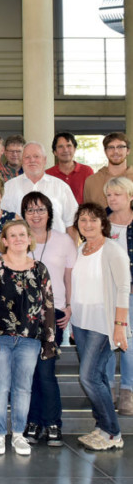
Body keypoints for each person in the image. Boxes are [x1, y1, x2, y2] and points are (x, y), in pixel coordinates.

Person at [0, 220, 57, 457]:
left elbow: (48, 305)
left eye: (22, 234)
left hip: (30, 339)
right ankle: (0, 434)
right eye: (12, 235)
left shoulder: (40, 268)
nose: (18, 239)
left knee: (23, 389)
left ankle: (19, 435)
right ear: (4, 241)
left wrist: (49, 340)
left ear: (29, 238)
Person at [71, 203, 130, 451]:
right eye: (83, 220)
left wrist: (119, 326)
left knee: (88, 376)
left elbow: (123, 289)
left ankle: (113, 432)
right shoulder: (80, 249)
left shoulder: (113, 250)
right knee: (97, 377)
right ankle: (102, 427)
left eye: (93, 220)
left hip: (102, 324)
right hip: (81, 323)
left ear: (102, 223)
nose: (88, 224)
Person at [21, 192, 75, 446]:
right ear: (23, 215)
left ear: (49, 213)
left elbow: (69, 278)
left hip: (55, 315)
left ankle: (52, 423)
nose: (36, 214)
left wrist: (70, 306)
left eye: (41, 209)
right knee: (30, 372)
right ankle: (33, 422)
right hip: (24, 317)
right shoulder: (19, 240)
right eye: (30, 210)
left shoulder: (64, 241)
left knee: (45, 372)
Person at [2, 142, 78, 235]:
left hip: (56, 247)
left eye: (36, 156)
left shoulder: (61, 187)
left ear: (45, 160)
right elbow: (3, 222)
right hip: (21, 247)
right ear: (22, 160)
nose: (32, 160)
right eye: (27, 157)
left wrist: (72, 249)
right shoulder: (8, 187)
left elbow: (71, 224)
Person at [104, 177, 133, 416]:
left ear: (130, 196)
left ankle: (128, 392)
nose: (112, 199)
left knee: (129, 344)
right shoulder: (101, 223)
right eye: (109, 195)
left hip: (131, 293)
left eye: (118, 194)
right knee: (106, 342)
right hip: (107, 293)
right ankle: (106, 392)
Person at [84, 132, 133, 208]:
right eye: (111, 147)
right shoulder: (91, 181)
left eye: (120, 147)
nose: (115, 151)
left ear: (128, 151)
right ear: (105, 152)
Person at [46, 132, 93, 205]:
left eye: (69, 146)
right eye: (60, 147)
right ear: (54, 152)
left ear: (74, 149)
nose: (65, 150)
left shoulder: (87, 171)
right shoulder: (48, 174)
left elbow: (91, 199)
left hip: (82, 215)